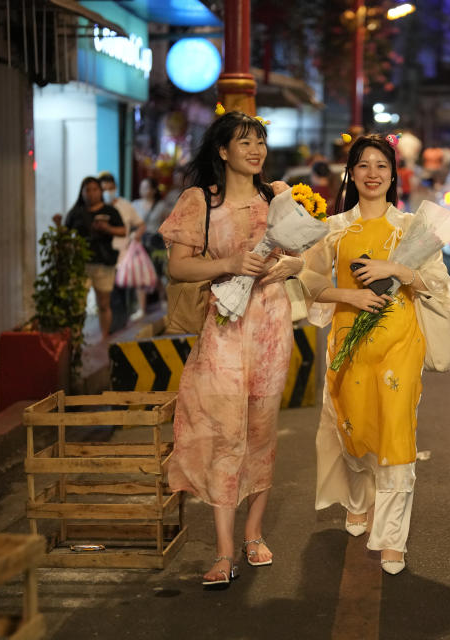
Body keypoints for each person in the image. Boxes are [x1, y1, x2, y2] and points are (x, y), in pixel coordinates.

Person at [298, 134, 450, 575]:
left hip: (400, 343)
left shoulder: (412, 228)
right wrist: (346, 292)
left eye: (381, 166)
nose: (372, 173)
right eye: (363, 165)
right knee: (354, 429)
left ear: (393, 174)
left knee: (396, 433)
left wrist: (396, 270)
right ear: (351, 173)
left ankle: (391, 539)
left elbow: (441, 288)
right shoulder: (333, 228)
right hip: (349, 342)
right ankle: (357, 499)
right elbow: (309, 284)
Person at [158, 111, 302, 588]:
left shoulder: (278, 197)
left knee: (261, 430)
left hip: (271, 327)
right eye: (244, 142)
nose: (255, 150)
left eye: (260, 141)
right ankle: (223, 551)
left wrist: (290, 266)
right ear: (223, 152)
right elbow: (179, 267)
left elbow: (307, 254)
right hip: (223, 325)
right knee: (223, 431)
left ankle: (254, 534)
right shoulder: (200, 201)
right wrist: (230, 262)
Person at [63, 176, 126, 338]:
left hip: (103, 263)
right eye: (87, 190)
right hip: (80, 264)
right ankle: (76, 338)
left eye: (94, 189)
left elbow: (123, 231)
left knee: (103, 303)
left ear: (100, 191)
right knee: (77, 304)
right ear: (82, 192)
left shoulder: (109, 211)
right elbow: (64, 234)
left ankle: (104, 336)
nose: (91, 193)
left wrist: (107, 228)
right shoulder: (76, 212)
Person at [98, 172, 147, 326]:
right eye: (104, 189)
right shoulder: (97, 207)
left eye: (110, 188)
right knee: (107, 294)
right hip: (103, 256)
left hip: (124, 255)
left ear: (115, 188)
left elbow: (140, 225)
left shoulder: (125, 206)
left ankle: (119, 324)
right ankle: (111, 326)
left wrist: (135, 236)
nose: (107, 193)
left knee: (120, 292)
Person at [132, 177, 172, 305]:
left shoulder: (161, 206)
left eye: (146, 187)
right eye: (141, 187)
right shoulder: (135, 205)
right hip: (139, 243)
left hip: (155, 243)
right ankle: (141, 308)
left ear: (154, 190)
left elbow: (166, 225)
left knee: (157, 273)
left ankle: (163, 299)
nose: (143, 190)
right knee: (140, 273)